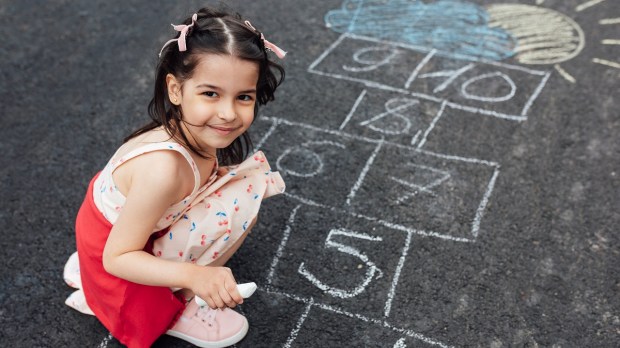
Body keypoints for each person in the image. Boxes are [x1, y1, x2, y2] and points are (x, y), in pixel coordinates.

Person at [62, 6, 286, 348]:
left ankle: (123, 277)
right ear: (175, 89)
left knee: (247, 185)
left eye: (244, 97)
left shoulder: (188, 132)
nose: (228, 113)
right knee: (245, 198)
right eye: (210, 93)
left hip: (109, 231)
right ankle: (178, 305)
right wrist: (195, 276)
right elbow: (116, 257)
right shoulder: (162, 168)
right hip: (113, 259)